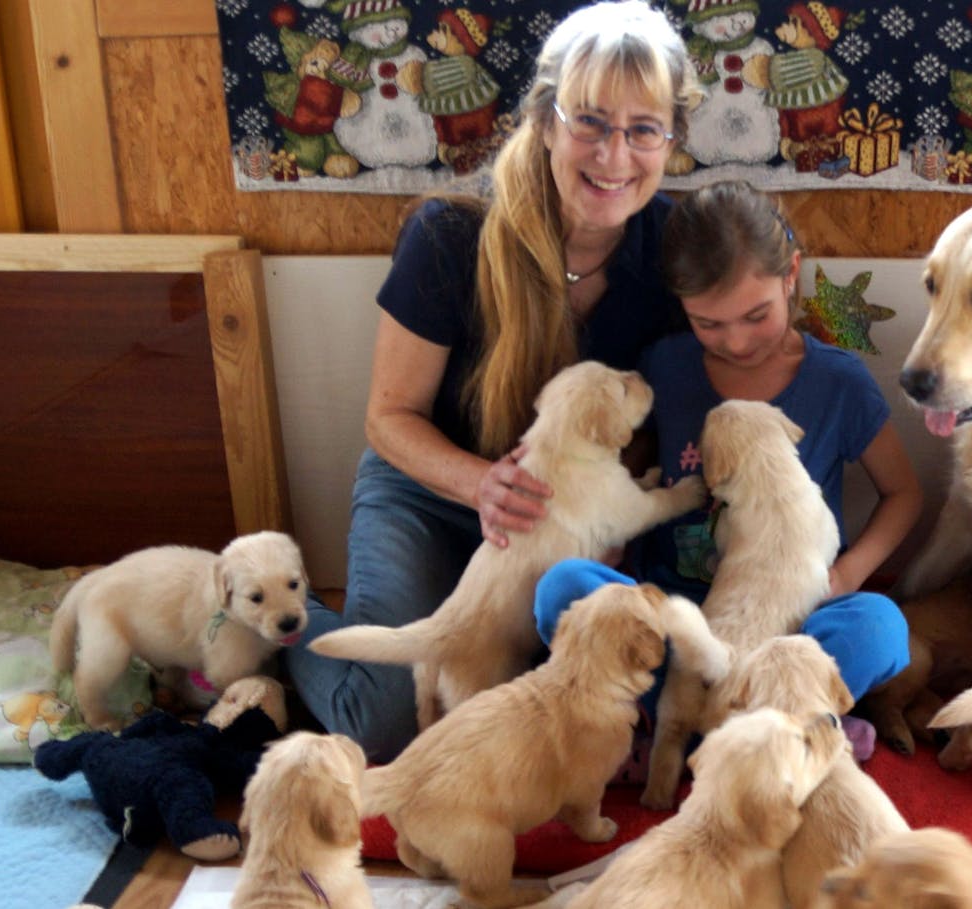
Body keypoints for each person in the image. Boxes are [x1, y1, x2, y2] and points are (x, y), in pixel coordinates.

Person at [285, 0, 701, 762]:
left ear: (670, 141)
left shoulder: (675, 250)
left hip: (564, 516)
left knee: (570, 711)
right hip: (430, 487)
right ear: (545, 122)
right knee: (383, 722)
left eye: (643, 129)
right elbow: (389, 416)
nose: (615, 155)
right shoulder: (450, 233)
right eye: (590, 122)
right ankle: (277, 620)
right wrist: (480, 484)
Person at [534, 180, 922, 718]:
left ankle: (701, 725)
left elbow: (903, 492)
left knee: (879, 628)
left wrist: (849, 574)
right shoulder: (665, 365)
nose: (736, 342)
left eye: (756, 316)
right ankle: (755, 724)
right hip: (677, 621)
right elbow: (625, 464)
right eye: (708, 324)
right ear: (682, 308)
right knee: (565, 588)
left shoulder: (839, 381)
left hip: (789, 625)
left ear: (791, 275)